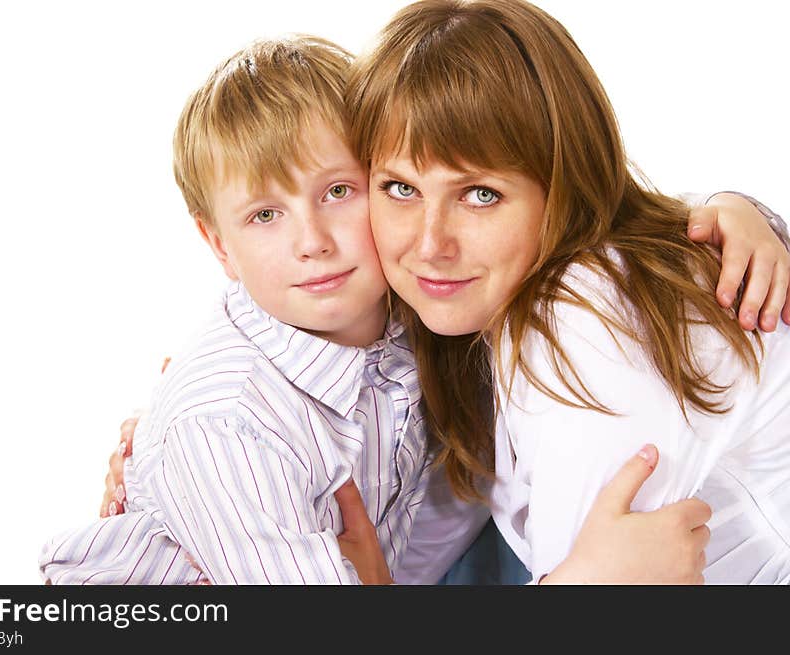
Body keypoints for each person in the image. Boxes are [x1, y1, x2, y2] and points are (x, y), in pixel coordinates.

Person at [40, 33, 731, 587]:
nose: (312, 242)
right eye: (265, 214)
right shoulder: (227, 429)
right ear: (217, 245)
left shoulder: (422, 301)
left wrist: (732, 217)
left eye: (340, 191)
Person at [339, 0, 790, 583]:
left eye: (480, 194)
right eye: (400, 187)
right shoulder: (464, 306)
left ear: (564, 185)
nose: (430, 245)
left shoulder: (587, 318)